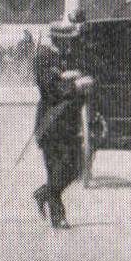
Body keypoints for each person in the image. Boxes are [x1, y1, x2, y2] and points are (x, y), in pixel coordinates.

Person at [31, 39, 92, 228]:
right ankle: (58, 217)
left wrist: (82, 88)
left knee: (76, 169)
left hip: (70, 125)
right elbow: (52, 88)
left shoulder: (71, 54)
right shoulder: (42, 55)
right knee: (55, 171)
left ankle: (43, 193)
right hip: (51, 126)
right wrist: (76, 85)